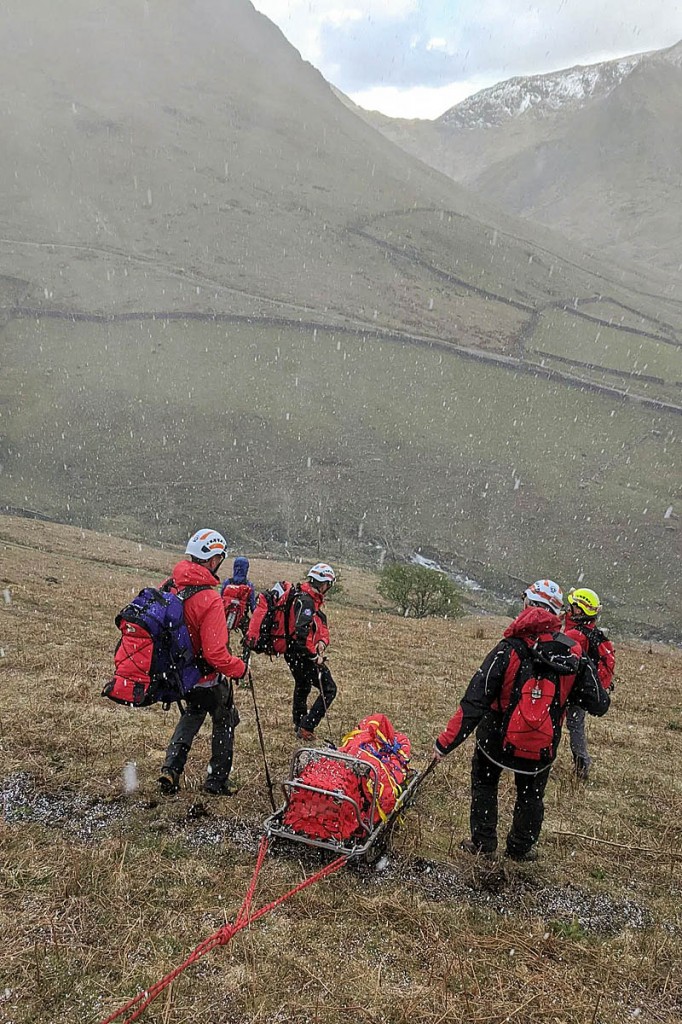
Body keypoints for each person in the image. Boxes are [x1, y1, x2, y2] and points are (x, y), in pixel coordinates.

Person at [433, 579, 610, 862]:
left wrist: (444, 744)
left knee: (485, 785)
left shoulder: (508, 647)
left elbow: (474, 702)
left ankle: (483, 845)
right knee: (531, 797)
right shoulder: (573, 653)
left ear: (527, 605)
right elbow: (600, 704)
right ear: (557, 613)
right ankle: (520, 849)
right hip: (541, 749)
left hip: (494, 742)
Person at [158, 529, 248, 796]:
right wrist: (240, 668)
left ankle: (171, 769)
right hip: (206, 677)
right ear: (212, 560)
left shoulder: (172, 584)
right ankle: (216, 781)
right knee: (225, 719)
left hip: (179, 674)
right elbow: (216, 654)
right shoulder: (209, 598)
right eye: (220, 557)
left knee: (193, 713)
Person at [563, 587, 615, 781]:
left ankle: (580, 764)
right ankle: (581, 764)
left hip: (572, 688)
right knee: (577, 723)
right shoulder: (591, 632)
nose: (570, 607)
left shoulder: (576, 635)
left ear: (580, 611)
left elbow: (561, 643)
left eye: (573, 606)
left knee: (569, 723)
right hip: (583, 688)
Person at [285, 562, 338, 741]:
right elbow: (302, 632)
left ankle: (299, 722)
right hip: (302, 654)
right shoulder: (307, 601)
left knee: (303, 684)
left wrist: (321, 642)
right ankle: (307, 726)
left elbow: (316, 626)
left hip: (292, 652)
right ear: (323, 584)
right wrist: (314, 656)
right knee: (329, 689)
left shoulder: (304, 596)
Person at [220, 556, 257, 632]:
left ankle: (224, 643)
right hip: (242, 616)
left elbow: (220, 600)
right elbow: (253, 606)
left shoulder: (227, 582)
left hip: (226, 615)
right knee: (249, 633)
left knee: (223, 635)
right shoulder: (249, 585)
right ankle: (247, 643)